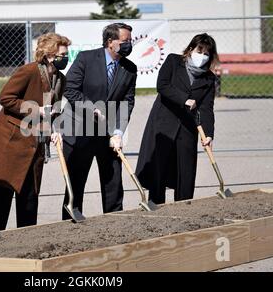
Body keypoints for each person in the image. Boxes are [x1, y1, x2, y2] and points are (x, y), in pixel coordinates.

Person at [0, 33, 71, 231]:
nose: (66, 58)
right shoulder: (29, 71)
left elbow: (51, 112)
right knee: (2, 197)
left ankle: (26, 240)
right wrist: (35, 109)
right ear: (49, 55)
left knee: (30, 197)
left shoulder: (59, 79)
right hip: (11, 143)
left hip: (35, 145)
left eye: (67, 54)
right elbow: (6, 98)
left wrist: (53, 131)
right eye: (62, 54)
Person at [61, 22, 137, 220]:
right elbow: (70, 89)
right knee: (75, 184)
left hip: (108, 134)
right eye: (125, 41)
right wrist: (90, 107)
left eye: (130, 40)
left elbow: (127, 103)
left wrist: (119, 133)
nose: (129, 44)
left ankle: (114, 223)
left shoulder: (130, 68)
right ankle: (70, 225)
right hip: (79, 131)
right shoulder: (86, 59)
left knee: (113, 182)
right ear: (110, 42)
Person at [135, 33, 219, 204]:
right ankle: (155, 204)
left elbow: (206, 108)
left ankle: (184, 206)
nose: (202, 56)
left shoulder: (209, 78)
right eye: (199, 50)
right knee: (159, 167)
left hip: (187, 127)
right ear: (190, 49)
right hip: (164, 122)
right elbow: (162, 85)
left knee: (186, 170)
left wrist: (208, 133)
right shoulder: (173, 61)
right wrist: (184, 99)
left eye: (206, 53)